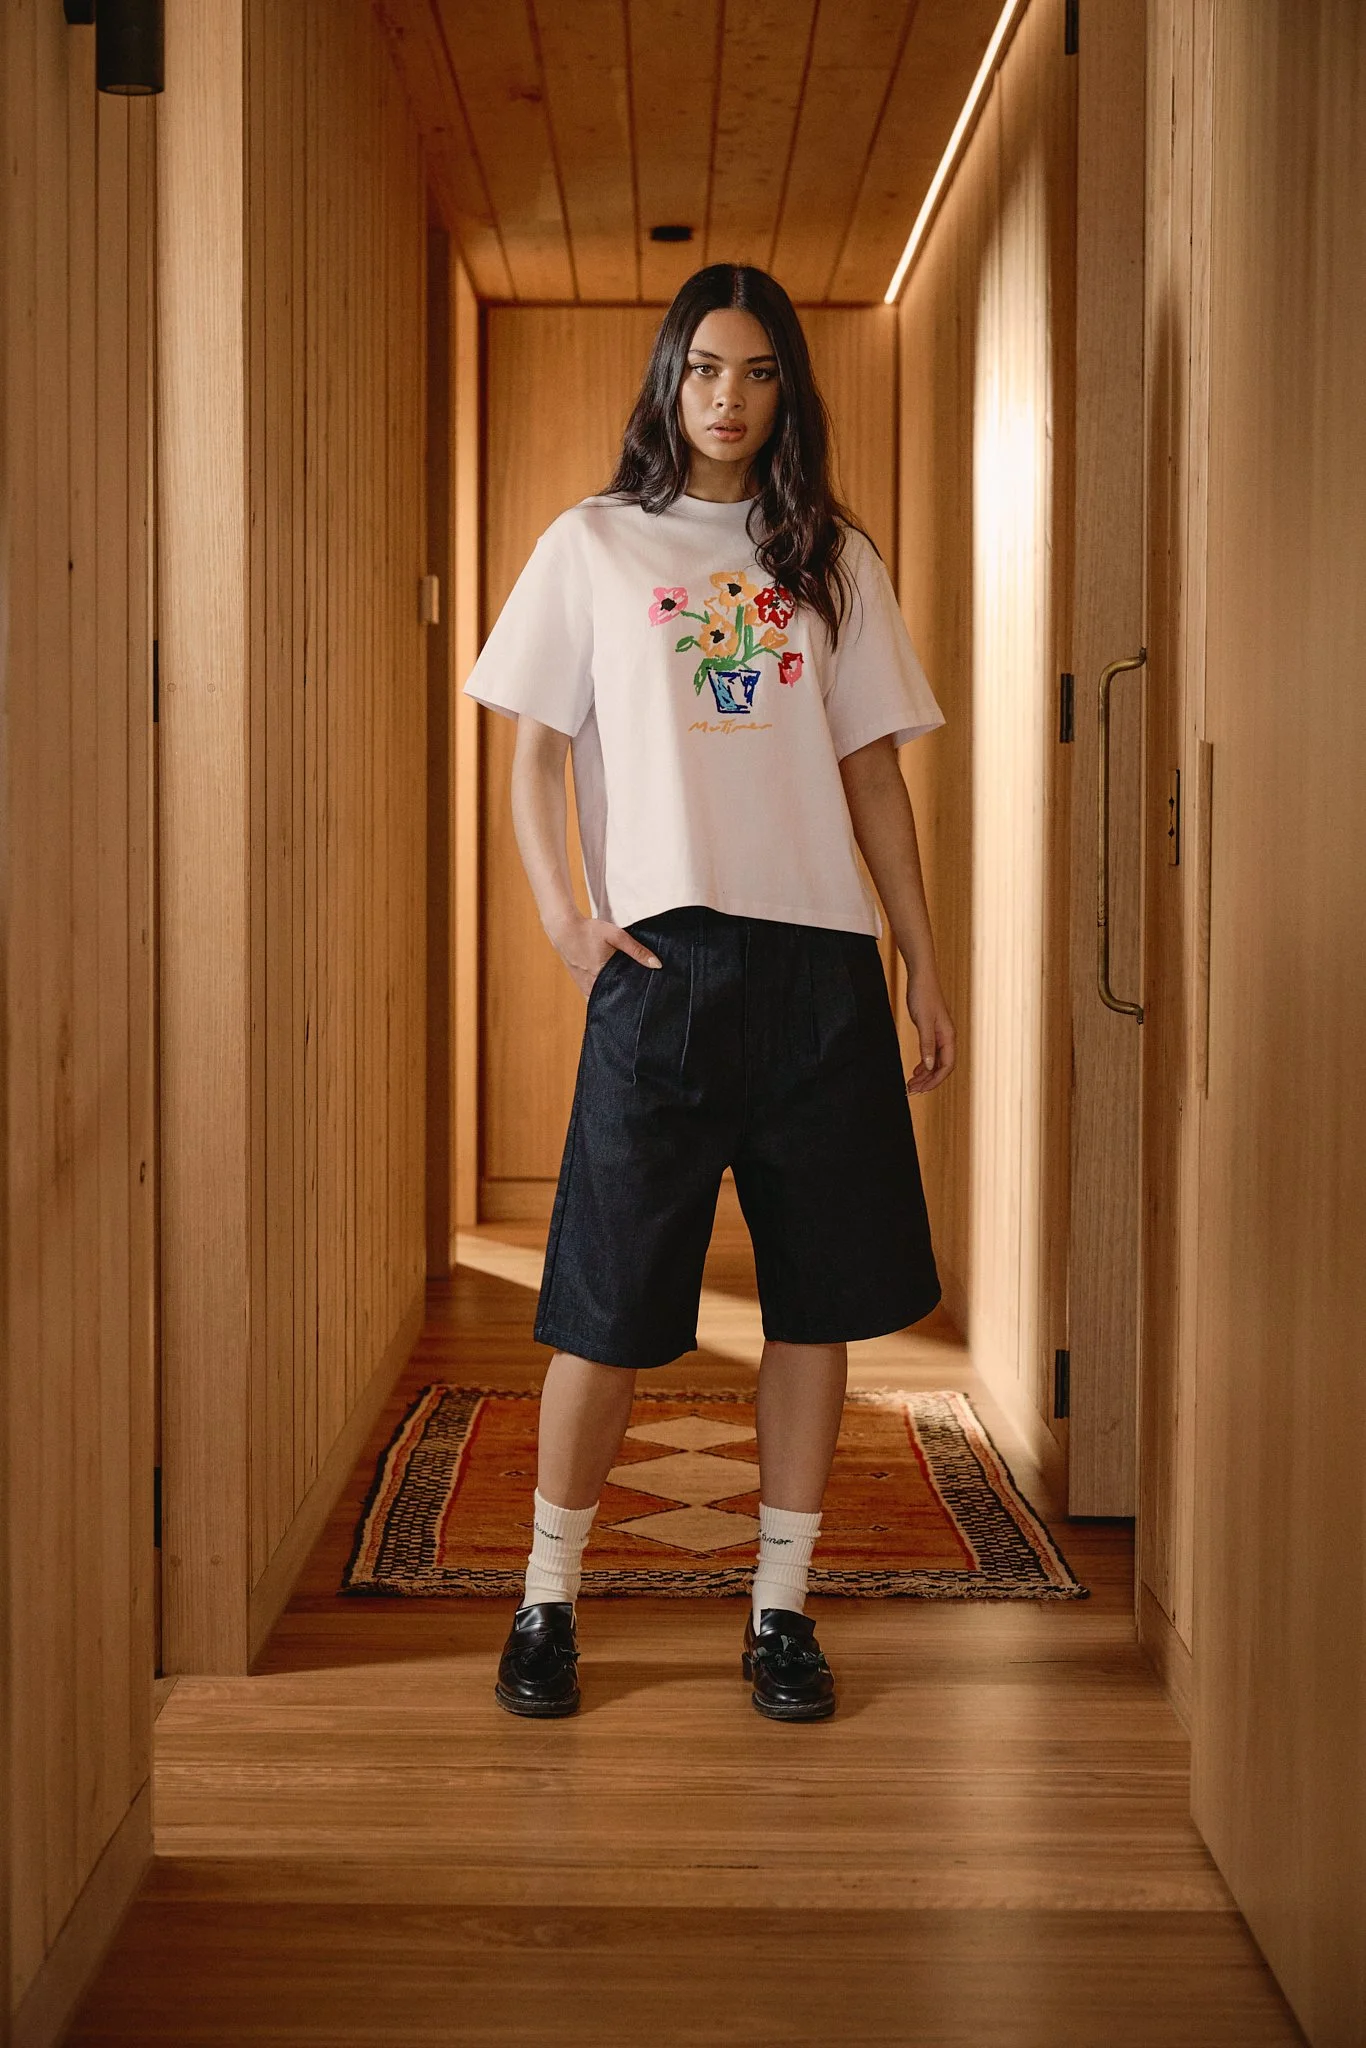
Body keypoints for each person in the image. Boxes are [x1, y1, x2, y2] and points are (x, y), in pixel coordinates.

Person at [462, 263, 955, 1724]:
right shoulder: (593, 545)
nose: (727, 400)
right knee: (604, 1306)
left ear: (784, 389)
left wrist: (920, 956)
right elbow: (534, 749)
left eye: (754, 373)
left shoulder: (831, 558)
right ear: (667, 381)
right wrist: (564, 914)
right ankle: (545, 1599)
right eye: (702, 371)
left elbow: (871, 772)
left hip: (816, 968)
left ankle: (780, 1614)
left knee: (816, 1301)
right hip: (662, 966)